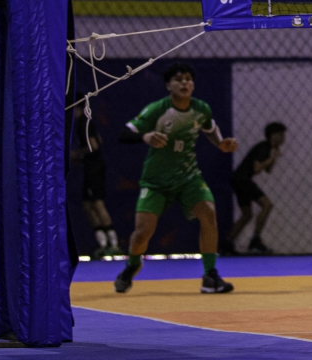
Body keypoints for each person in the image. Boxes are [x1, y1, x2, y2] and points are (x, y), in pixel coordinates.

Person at [114, 63, 237, 294]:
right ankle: (132, 265)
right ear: (168, 85)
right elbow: (124, 134)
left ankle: (210, 275)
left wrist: (221, 143)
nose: (184, 83)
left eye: (189, 79)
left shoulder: (201, 109)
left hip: (188, 177)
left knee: (208, 212)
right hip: (156, 181)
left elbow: (210, 128)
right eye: (179, 79)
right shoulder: (157, 109)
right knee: (142, 234)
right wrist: (146, 136)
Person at [227, 122, 287, 255]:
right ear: (274, 135)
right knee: (267, 205)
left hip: (239, 179)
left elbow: (268, 170)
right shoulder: (264, 147)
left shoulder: (269, 148)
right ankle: (255, 240)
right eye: (282, 135)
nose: (284, 138)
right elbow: (257, 168)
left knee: (247, 214)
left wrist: (273, 158)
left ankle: (227, 243)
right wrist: (272, 158)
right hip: (243, 179)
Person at [71, 107, 120, 258]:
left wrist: (76, 154)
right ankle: (103, 243)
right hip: (91, 167)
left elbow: (94, 145)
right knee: (87, 205)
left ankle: (113, 244)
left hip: (94, 168)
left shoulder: (83, 123)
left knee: (97, 203)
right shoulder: (85, 122)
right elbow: (99, 139)